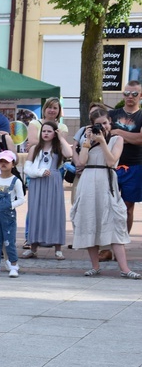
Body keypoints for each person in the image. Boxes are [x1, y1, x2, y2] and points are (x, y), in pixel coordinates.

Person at [70, 109, 140, 279]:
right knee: (88, 221)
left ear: (110, 122)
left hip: (106, 180)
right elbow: (82, 162)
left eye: (105, 123)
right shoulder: (87, 139)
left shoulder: (117, 139)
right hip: (88, 181)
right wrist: (87, 141)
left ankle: (124, 268)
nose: (102, 127)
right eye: (98, 124)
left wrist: (102, 142)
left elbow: (111, 161)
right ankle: (95, 266)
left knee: (114, 221)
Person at [22, 120, 71, 260]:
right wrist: (39, 172)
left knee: (55, 212)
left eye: (49, 131)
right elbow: (27, 167)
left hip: (53, 180)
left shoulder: (58, 148)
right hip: (37, 182)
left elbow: (69, 153)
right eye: (44, 131)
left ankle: (58, 248)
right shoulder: (34, 148)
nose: (46, 133)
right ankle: (33, 247)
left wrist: (61, 138)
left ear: (54, 133)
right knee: (35, 212)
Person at [109, 80, 142, 233]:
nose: (130, 96)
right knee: (109, 205)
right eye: (127, 93)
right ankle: (108, 244)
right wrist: (131, 137)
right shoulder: (112, 114)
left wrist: (119, 133)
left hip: (134, 166)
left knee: (127, 208)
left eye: (134, 93)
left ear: (140, 95)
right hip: (112, 166)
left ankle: (122, 242)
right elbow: (105, 135)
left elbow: (140, 139)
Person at [0, 150, 25, 278]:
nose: (3, 164)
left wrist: (10, 205)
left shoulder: (16, 181)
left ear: (13, 164)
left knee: (9, 241)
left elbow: (21, 198)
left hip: (8, 216)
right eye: (1, 161)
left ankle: (13, 265)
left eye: (6, 162)